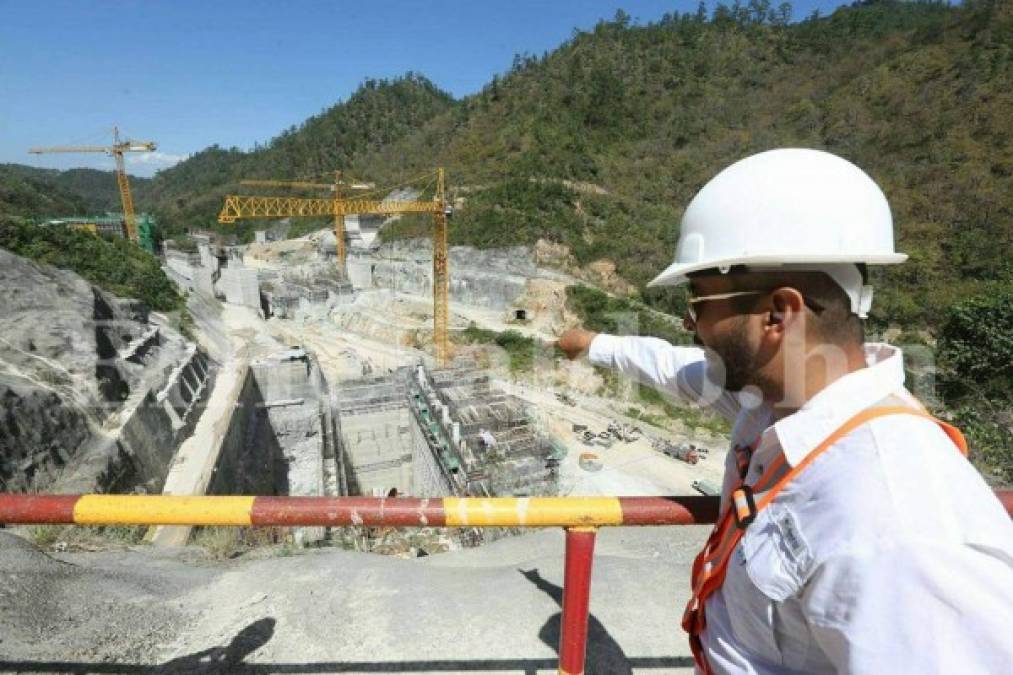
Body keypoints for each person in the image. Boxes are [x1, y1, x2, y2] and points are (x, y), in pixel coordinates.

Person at [556, 149, 1013, 674]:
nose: (690, 324)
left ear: (778, 313)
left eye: (699, 302)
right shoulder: (779, 407)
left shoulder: (895, 521)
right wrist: (592, 343)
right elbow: (673, 368)